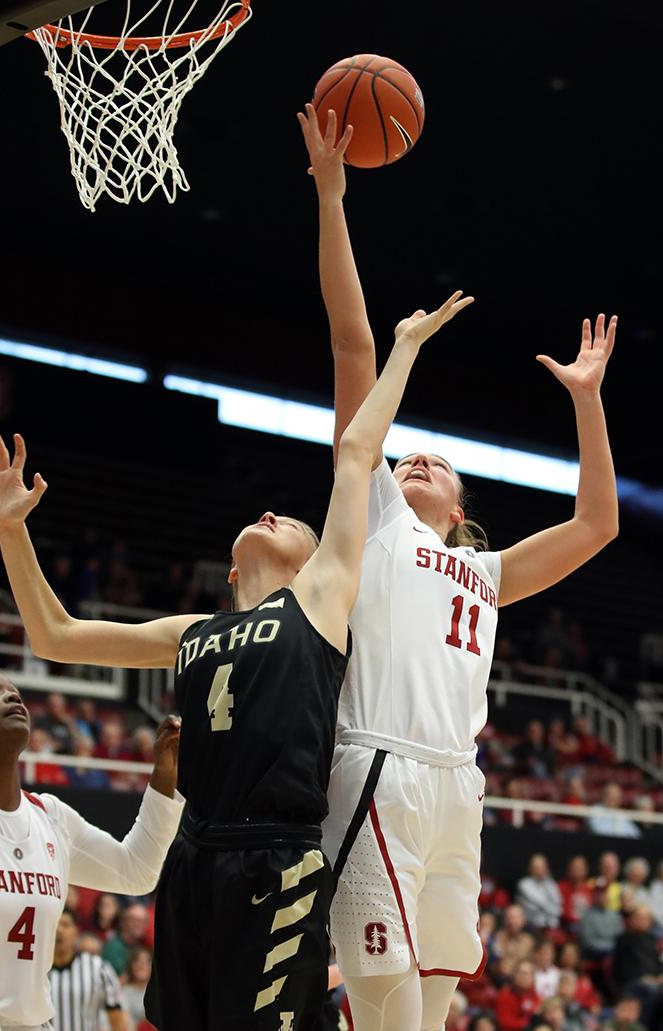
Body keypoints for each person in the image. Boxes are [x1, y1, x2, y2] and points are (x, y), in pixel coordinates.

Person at [0, 307, 457, 1031]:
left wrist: (404, 351)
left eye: (291, 522)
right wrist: (12, 531)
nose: (271, 511)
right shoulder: (192, 629)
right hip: (195, 854)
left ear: (312, 555)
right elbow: (56, 633)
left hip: (276, 852)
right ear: (232, 567)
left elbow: (357, 450)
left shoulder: (322, 597)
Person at [298, 103, 618, 1031]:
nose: (415, 460)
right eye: (407, 456)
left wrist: (587, 403)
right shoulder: (382, 519)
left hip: (456, 781)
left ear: (463, 508)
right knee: (382, 1005)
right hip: (378, 764)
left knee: (432, 1007)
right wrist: (331, 194)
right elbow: (352, 348)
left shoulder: (487, 571)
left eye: (436, 463)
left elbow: (596, 523)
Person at [0, 667, 182, 1030]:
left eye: (14, 691)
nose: (11, 696)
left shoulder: (50, 816)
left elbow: (136, 870)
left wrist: (165, 773)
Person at [49, 908, 129, 1031]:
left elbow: (117, 1018)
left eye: (65, 925)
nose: (59, 930)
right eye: (54, 924)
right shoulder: (34, 969)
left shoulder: (98, 967)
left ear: (76, 932)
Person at [515, 855, 563, 930]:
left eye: (543, 866)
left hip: (552, 925)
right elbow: (541, 903)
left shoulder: (550, 883)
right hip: (532, 925)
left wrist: (556, 911)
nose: (541, 869)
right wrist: (555, 911)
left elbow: (559, 903)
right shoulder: (524, 884)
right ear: (531, 869)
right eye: (537, 867)